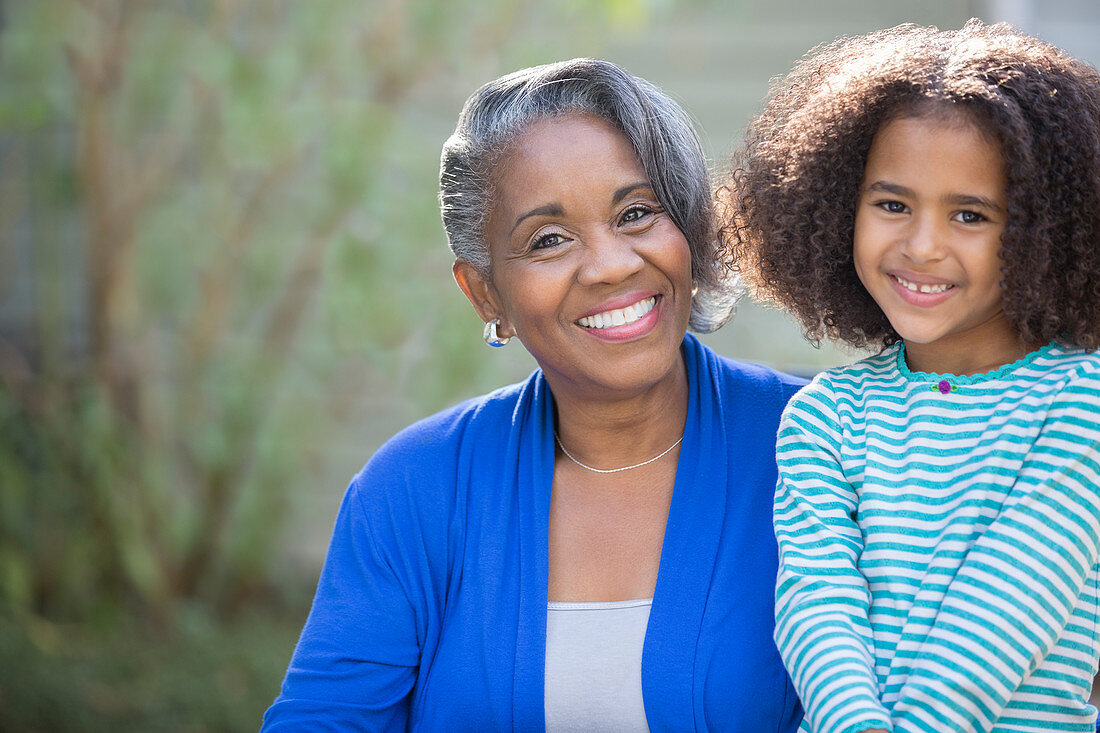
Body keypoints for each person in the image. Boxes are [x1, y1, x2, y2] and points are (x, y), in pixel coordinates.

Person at [261, 58, 805, 731]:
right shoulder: (413, 490)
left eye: (637, 212)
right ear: (487, 292)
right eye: (549, 239)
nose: (611, 264)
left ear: (688, 231)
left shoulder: (826, 445)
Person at [720, 19, 1100, 733]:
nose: (922, 246)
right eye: (892, 204)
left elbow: (1001, 615)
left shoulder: (1084, 403)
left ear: (1044, 231)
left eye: (970, 214)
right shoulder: (828, 414)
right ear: (838, 209)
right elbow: (817, 605)